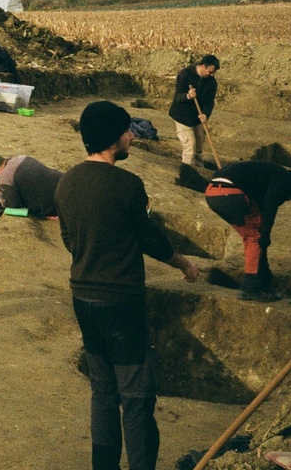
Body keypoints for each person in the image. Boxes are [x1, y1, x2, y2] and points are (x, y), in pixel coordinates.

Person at [55, 100, 200, 470]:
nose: (132, 137)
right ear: (111, 137)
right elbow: (150, 239)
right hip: (122, 304)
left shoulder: (67, 182)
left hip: (83, 298)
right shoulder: (128, 185)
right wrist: (183, 264)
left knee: (103, 393)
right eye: (126, 131)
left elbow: (70, 240)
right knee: (136, 397)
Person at [204, 160, 291, 302]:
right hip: (231, 193)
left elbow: (261, 205)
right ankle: (250, 287)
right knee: (256, 237)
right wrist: (266, 232)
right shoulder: (285, 180)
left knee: (252, 234)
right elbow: (270, 205)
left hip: (212, 192)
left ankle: (263, 280)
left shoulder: (269, 174)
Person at [168, 55, 219, 168]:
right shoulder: (185, 74)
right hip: (182, 116)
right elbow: (177, 97)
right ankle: (187, 171)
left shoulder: (211, 82)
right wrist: (188, 96)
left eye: (213, 73)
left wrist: (206, 114)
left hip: (196, 117)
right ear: (202, 66)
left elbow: (209, 102)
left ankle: (200, 170)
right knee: (190, 145)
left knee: (199, 147)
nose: (211, 75)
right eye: (210, 72)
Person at [0, 153, 63, 218]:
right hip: (62, 182)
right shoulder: (21, 158)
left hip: (55, 205)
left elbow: (12, 203)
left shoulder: (5, 174)